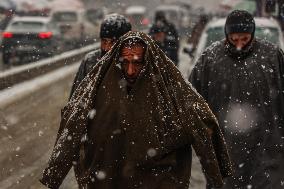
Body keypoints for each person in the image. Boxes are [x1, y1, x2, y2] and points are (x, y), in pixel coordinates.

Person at [40, 31, 232, 189]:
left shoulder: (169, 87)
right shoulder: (99, 86)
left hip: (158, 180)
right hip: (106, 178)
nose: (130, 70)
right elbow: (72, 121)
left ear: (147, 60)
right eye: (125, 62)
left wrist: (216, 173)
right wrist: (55, 174)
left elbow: (202, 120)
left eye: (137, 63)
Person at [190, 10, 284, 189]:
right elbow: (192, 102)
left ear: (253, 34)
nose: (239, 45)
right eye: (234, 39)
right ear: (227, 34)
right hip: (226, 152)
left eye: (245, 38)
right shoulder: (210, 59)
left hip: (267, 150)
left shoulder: (273, 57)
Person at [69, 13, 132, 97]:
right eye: (104, 41)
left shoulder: (134, 63)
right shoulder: (90, 61)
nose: (107, 47)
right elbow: (76, 99)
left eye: (113, 42)